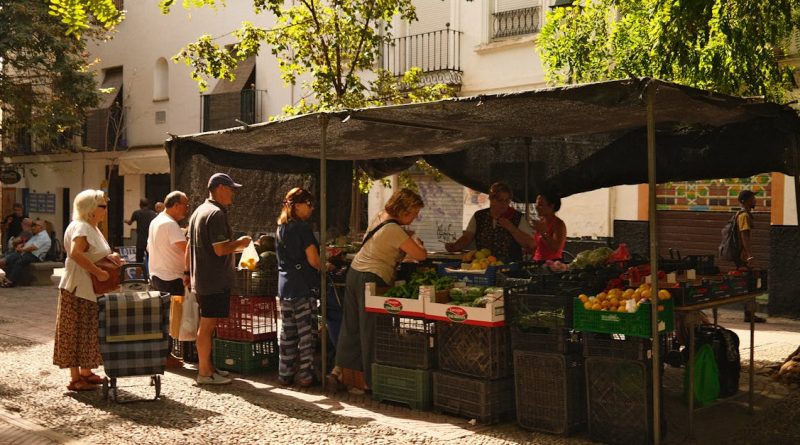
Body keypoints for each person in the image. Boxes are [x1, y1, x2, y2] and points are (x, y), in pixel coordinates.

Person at [332, 188, 427, 392]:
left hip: (354, 273)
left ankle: (342, 374)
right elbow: (420, 255)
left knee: (351, 326)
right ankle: (369, 381)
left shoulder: (379, 217)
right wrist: (417, 243)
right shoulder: (395, 230)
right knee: (371, 330)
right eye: (414, 213)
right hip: (371, 278)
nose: (415, 217)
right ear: (404, 210)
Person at [53, 189, 123, 391]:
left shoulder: (92, 227)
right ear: (91, 209)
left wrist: (111, 258)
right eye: (102, 206)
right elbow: (75, 253)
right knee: (75, 332)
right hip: (78, 288)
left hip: (89, 289)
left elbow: (94, 253)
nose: (105, 210)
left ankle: (86, 371)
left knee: (89, 331)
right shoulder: (82, 227)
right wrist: (98, 271)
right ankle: (75, 378)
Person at [186, 173, 252, 385]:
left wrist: (188, 273)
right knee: (206, 327)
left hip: (203, 279)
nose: (233, 193)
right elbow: (220, 249)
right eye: (231, 188)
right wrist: (241, 243)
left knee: (208, 326)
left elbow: (189, 247)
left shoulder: (199, 211)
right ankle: (204, 373)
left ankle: (209, 367)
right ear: (220, 188)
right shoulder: (215, 214)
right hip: (212, 280)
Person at [275, 187, 322, 387]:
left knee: (288, 333)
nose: (311, 209)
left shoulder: (281, 228)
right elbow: (313, 259)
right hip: (302, 287)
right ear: (298, 205)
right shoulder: (302, 228)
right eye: (309, 204)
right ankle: (305, 375)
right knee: (306, 334)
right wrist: (325, 265)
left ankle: (284, 374)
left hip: (284, 287)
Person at [147, 191, 190, 368]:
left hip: (157, 274)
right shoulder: (170, 224)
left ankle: (164, 353)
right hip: (171, 277)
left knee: (163, 317)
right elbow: (184, 247)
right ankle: (165, 355)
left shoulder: (156, 221)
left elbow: (149, 247)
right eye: (185, 205)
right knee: (171, 318)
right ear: (175, 205)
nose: (186, 210)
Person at [444, 182, 533, 262]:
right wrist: (455, 246)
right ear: (491, 199)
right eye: (500, 200)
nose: (504, 204)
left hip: (510, 269)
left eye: (507, 200)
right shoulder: (479, 216)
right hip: (483, 267)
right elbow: (467, 237)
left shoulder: (517, 217)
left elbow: (531, 244)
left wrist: (512, 228)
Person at [736, 190, 766, 323]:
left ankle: (749, 313)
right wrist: (749, 255)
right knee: (750, 284)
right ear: (745, 200)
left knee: (749, 284)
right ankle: (749, 314)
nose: (755, 200)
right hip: (743, 256)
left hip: (742, 255)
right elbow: (744, 235)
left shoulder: (744, 214)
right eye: (752, 198)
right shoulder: (744, 216)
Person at [0, 219, 51, 287]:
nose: (33, 227)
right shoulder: (37, 235)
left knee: (20, 261)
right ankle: (8, 279)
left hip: (35, 256)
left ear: (41, 227)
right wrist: (22, 245)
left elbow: (33, 247)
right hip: (27, 253)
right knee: (10, 260)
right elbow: (29, 244)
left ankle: (10, 281)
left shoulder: (43, 236)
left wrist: (22, 249)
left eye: (35, 225)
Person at [530, 191, 567, 261]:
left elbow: (556, 249)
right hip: (537, 262)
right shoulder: (540, 221)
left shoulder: (558, 224)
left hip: (552, 265)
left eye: (540, 205)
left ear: (551, 206)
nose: (536, 207)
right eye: (536, 204)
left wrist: (543, 233)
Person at [124, 198, 157, 263]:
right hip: (150, 240)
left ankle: (138, 273)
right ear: (148, 205)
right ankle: (150, 273)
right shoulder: (153, 214)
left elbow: (130, 223)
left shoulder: (136, 213)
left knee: (139, 261)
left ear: (140, 205)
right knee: (151, 260)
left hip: (140, 240)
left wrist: (125, 221)